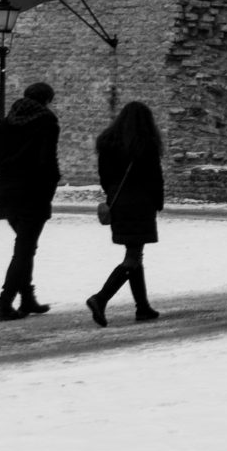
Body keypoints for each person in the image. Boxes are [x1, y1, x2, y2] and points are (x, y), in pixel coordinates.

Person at [0, 81, 62, 322]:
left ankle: (26, 297)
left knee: (25, 246)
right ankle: (5, 303)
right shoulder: (46, 122)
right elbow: (47, 160)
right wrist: (50, 182)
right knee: (24, 250)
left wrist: (8, 174)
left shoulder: (4, 125)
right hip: (35, 193)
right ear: (46, 100)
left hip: (8, 193)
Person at [84, 100, 165, 326]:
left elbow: (104, 177)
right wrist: (158, 202)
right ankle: (100, 298)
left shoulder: (108, 143)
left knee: (134, 253)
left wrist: (111, 196)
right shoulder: (145, 144)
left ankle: (143, 307)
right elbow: (154, 178)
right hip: (140, 204)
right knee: (132, 257)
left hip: (118, 202)